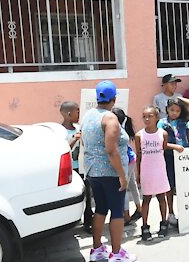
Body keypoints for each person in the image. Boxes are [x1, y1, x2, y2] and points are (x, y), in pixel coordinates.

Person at [81, 80, 136, 262]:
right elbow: (111, 150)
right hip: (111, 173)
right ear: (114, 98)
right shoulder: (110, 118)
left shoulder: (89, 115)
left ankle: (97, 249)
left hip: (93, 171)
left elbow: (85, 141)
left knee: (101, 209)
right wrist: (122, 175)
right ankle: (117, 253)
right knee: (118, 212)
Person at [135, 106, 171, 240]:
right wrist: (138, 174)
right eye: (144, 116)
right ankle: (145, 226)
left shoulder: (163, 134)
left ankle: (164, 223)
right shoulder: (140, 135)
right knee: (146, 199)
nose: (147, 119)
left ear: (157, 117)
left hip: (159, 169)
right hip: (146, 170)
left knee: (162, 197)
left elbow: (163, 150)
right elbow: (139, 156)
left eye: (150, 116)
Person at [60, 101, 94, 233]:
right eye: (77, 112)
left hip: (82, 167)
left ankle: (88, 222)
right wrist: (74, 138)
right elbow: (63, 149)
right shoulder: (61, 131)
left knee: (88, 195)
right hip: (70, 169)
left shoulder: (79, 127)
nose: (79, 114)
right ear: (69, 114)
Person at [157, 98, 189, 227]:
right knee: (170, 186)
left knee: (183, 185)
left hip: (183, 157)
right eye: (172, 110)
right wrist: (174, 147)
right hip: (169, 156)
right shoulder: (162, 123)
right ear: (167, 110)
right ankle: (171, 213)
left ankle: (186, 212)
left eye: (177, 110)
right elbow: (161, 142)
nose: (174, 113)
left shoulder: (184, 122)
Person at [111, 108, 142, 225]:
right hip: (131, 159)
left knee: (122, 188)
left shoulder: (115, 130)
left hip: (125, 161)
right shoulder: (123, 128)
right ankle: (139, 208)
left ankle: (126, 215)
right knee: (132, 185)